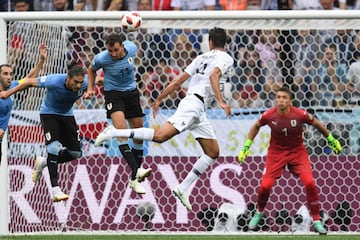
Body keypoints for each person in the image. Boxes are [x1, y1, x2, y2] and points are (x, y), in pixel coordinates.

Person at [93, 27, 234, 211]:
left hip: (197, 107)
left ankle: (182, 188)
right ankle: (114, 132)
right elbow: (215, 75)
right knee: (160, 136)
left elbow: (177, 82)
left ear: (210, 43)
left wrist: (159, 98)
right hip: (193, 105)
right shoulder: (226, 58)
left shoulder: (201, 58)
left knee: (213, 152)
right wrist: (221, 101)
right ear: (223, 43)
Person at [237, 86, 342, 235]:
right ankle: (259, 213)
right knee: (265, 186)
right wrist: (246, 147)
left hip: (297, 153)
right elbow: (256, 126)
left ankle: (317, 220)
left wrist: (331, 140)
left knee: (310, 183)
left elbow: (317, 124)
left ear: (290, 101)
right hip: (276, 154)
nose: (280, 100)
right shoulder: (269, 115)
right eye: (278, 97)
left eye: (284, 97)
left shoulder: (299, 114)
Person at [0, 62, 88, 202]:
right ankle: (55, 189)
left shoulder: (84, 83)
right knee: (53, 147)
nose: (78, 86)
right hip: (49, 113)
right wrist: (8, 93)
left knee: (76, 152)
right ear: (68, 78)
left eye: (81, 83)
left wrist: (91, 89)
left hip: (67, 115)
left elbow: (99, 79)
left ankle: (43, 162)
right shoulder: (53, 80)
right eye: (76, 82)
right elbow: (29, 82)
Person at [84, 33, 152, 195]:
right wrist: (90, 88)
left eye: (115, 50)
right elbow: (91, 69)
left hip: (131, 93)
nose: (113, 54)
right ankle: (137, 170)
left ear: (122, 46)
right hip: (113, 94)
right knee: (121, 132)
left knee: (139, 134)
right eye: (110, 51)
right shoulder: (102, 58)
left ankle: (134, 179)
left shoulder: (132, 48)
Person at [0, 43, 47, 165]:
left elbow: (29, 78)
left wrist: (41, 60)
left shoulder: (13, 87)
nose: (9, 77)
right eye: (5, 74)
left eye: (11, 74)